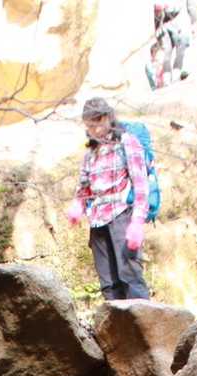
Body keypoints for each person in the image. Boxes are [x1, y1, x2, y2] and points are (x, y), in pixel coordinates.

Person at [67, 98, 151, 302]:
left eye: (98, 122)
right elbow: (84, 186)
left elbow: (141, 185)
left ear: (108, 117)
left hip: (121, 216)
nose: (95, 129)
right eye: (90, 125)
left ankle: (143, 321)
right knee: (108, 285)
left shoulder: (127, 142)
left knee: (130, 278)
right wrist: (78, 205)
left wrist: (137, 222)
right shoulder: (90, 153)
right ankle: (116, 323)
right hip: (97, 222)